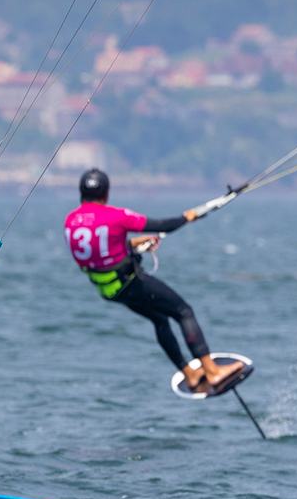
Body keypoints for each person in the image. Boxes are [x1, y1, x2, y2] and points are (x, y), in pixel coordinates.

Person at [63, 168, 245, 393]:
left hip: (109, 291)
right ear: (107, 194)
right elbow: (162, 226)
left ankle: (190, 374)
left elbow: (98, 252)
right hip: (130, 283)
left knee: (160, 319)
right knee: (183, 311)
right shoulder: (115, 216)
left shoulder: (71, 221)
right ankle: (212, 371)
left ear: (81, 194)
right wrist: (187, 217)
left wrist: (133, 244)